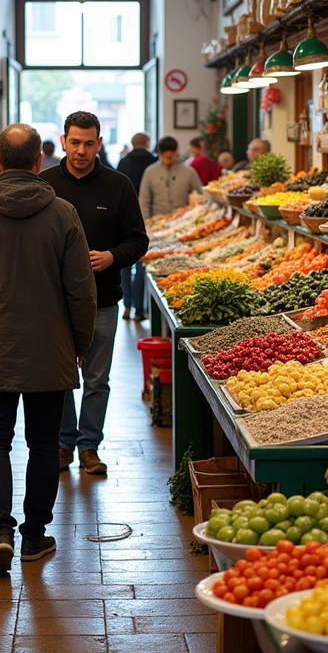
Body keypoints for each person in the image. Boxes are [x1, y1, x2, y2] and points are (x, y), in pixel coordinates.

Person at [0, 124, 96, 574]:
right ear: (39, 162)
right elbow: (81, 291)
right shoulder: (64, 212)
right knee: (44, 443)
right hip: (50, 348)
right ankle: (33, 536)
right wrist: (80, 342)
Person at [42, 111, 149, 477]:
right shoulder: (45, 184)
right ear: (63, 141)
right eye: (75, 142)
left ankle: (89, 447)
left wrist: (112, 256)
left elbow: (139, 240)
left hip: (103, 299)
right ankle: (63, 442)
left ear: (100, 143)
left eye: (89, 143)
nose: (81, 150)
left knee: (97, 379)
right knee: (59, 378)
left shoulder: (118, 185)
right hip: (53, 304)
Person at [116, 133, 158, 321]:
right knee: (142, 263)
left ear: (133, 144)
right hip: (150, 217)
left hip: (124, 217)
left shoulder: (124, 163)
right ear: (147, 144)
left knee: (124, 264)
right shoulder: (154, 163)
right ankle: (140, 309)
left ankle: (126, 305)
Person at [139, 136, 203, 218]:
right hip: (157, 221)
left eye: (170, 157)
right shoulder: (150, 172)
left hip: (182, 220)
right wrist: (145, 221)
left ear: (176, 152)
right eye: (165, 156)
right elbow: (144, 200)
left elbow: (200, 196)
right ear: (159, 153)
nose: (168, 159)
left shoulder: (189, 172)